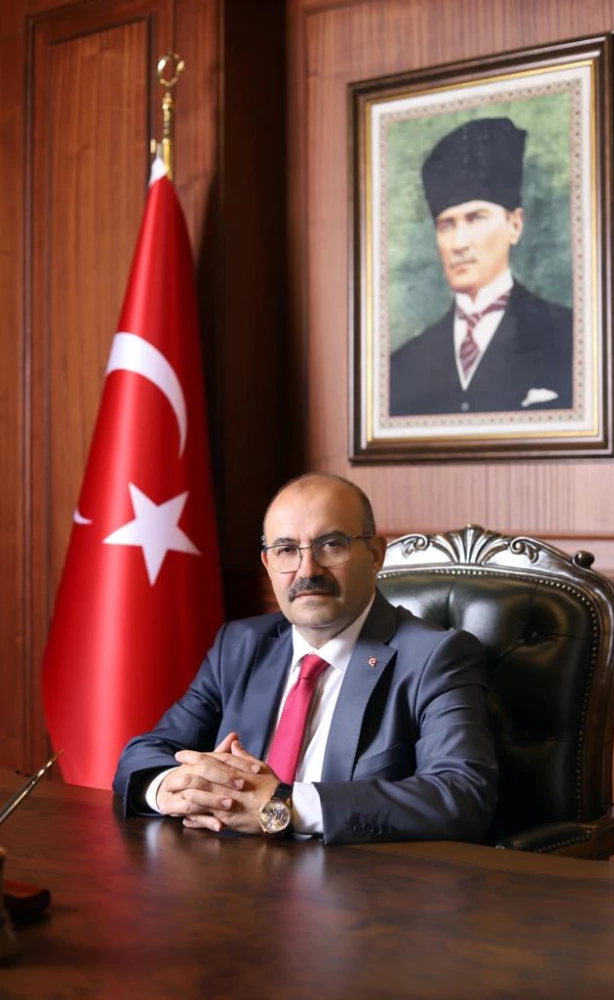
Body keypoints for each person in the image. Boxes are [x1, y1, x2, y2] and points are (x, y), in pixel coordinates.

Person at [113, 473, 497, 844]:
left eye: (330, 545)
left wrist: (283, 804)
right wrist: (173, 789)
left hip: (357, 881)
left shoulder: (434, 657)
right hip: (227, 871)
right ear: (268, 564)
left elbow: (461, 794)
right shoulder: (240, 645)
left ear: (375, 554)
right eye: (286, 550)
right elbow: (143, 755)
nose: (307, 570)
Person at [390, 117, 573, 417]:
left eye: (476, 218)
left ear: (515, 225)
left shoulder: (570, 337)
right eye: (446, 225)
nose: (459, 242)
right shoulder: (401, 368)